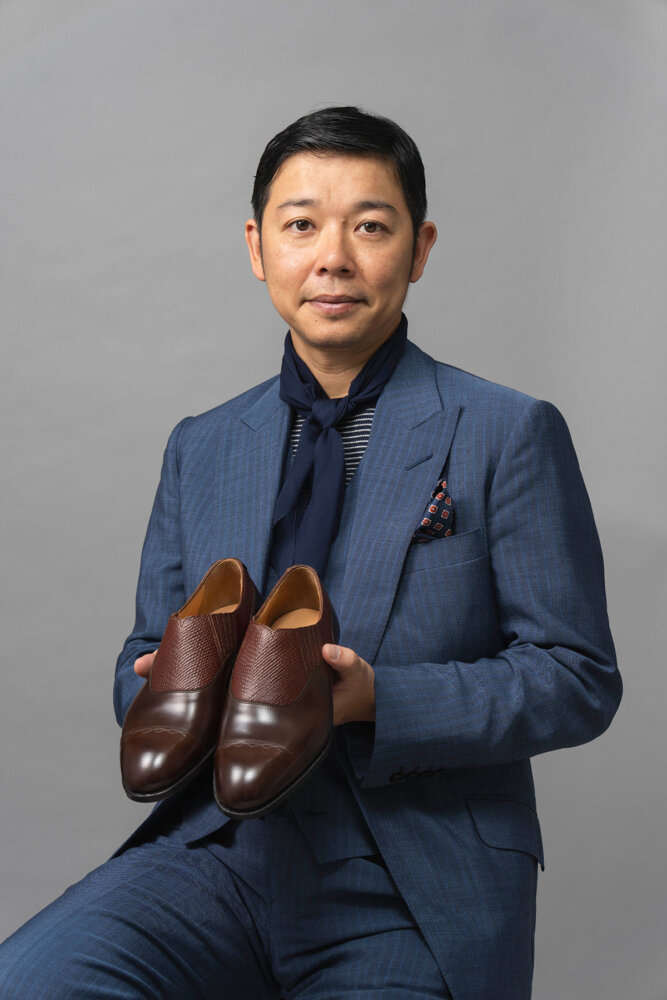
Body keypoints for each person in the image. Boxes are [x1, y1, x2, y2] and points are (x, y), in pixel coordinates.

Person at [0, 106, 622, 1000]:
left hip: (406, 879)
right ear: (258, 248)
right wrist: (161, 684)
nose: (332, 257)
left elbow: (576, 676)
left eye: (369, 226)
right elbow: (142, 654)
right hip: (216, 849)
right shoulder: (203, 445)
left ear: (419, 248)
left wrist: (377, 699)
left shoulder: (505, 431)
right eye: (300, 226)